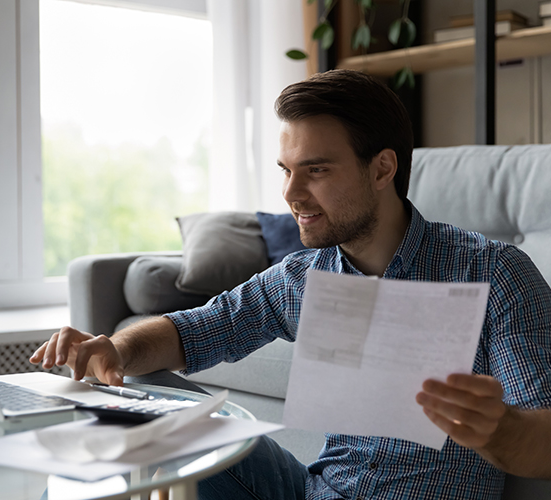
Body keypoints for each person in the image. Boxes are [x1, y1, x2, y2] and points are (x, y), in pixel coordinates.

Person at [30, 69, 551, 499]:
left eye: (316, 170)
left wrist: (500, 429)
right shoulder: (307, 275)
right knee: (167, 413)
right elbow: (195, 330)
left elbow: (543, 440)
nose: (291, 193)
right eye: (286, 170)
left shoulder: (493, 273)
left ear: (382, 169)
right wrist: (114, 349)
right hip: (309, 492)